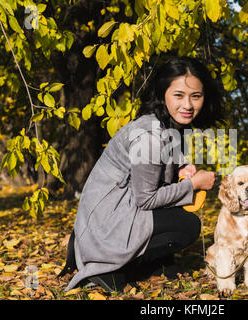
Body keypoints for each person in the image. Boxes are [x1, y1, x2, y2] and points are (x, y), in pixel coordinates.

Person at [60, 56, 224, 292]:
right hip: (106, 222)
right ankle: (110, 267)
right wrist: (194, 184)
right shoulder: (148, 135)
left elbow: (153, 171)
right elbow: (145, 198)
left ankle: (152, 263)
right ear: (162, 94)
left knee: (178, 214)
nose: (187, 105)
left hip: (116, 212)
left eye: (195, 96)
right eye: (178, 95)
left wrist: (180, 169)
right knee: (187, 226)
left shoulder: (167, 125)